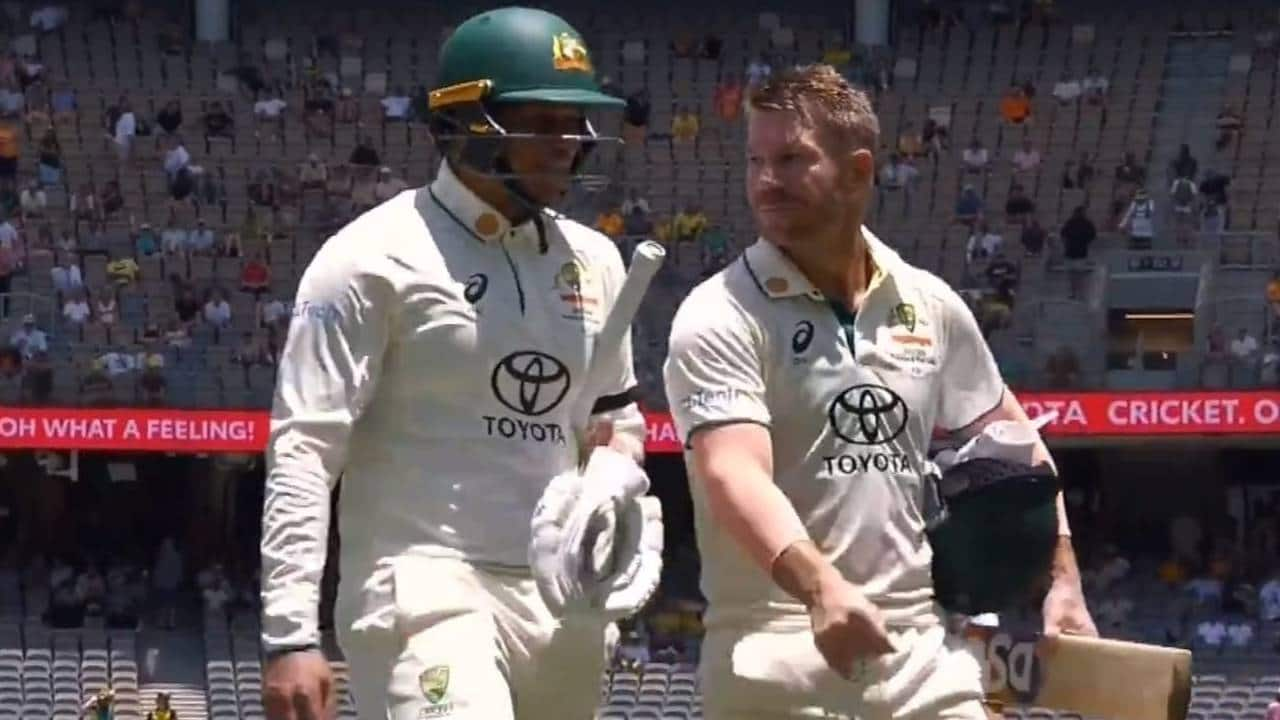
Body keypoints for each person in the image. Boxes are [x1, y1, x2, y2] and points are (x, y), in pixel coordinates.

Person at [662, 63, 1096, 720]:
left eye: (790, 159)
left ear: (859, 172)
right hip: (776, 653)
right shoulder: (717, 313)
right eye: (755, 161)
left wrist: (1061, 579)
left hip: (918, 654)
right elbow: (732, 473)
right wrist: (820, 589)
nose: (765, 183)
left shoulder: (930, 304)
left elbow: (1019, 450)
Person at [261, 8, 646, 720]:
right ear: (465, 121)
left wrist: (615, 471)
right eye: (543, 122)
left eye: (576, 124)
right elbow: (306, 449)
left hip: (562, 602)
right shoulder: (370, 257)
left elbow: (615, 418)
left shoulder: (596, 259)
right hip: (421, 584)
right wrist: (289, 631)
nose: (567, 145)